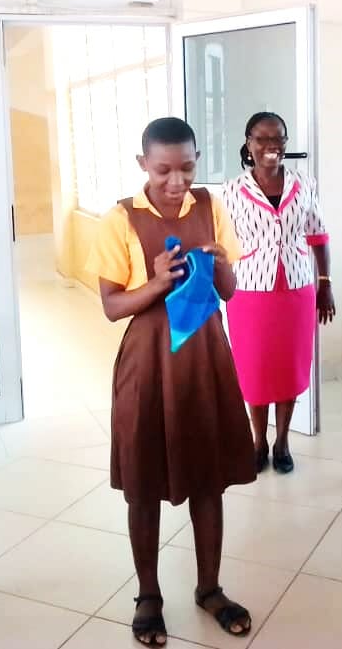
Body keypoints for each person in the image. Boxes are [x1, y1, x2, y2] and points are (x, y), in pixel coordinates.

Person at [86, 118, 256, 646]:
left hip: (205, 354)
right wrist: (158, 281)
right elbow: (114, 306)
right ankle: (149, 596)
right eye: (163, 169)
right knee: (145, 483)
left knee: (209, 477)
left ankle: (210, 588)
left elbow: (228, 291)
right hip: (148, 358)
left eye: (187, 166)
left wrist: (221, 263)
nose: (177, 180)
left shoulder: (211, 206)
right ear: (144, 165)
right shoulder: (121, 219)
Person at [221, 112, 334, 475]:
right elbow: (222, 245)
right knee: (253, 370)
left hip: (297, 290)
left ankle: (282, 440)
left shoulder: (304, 184)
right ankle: (258, 441)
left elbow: (318, 235)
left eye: (278, 139)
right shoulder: (230, 192)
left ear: (286, 142)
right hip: (249, 291)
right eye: (262, 139)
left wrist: (325, 283)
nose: (271, 146)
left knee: (289, 367)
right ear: (249, 143)